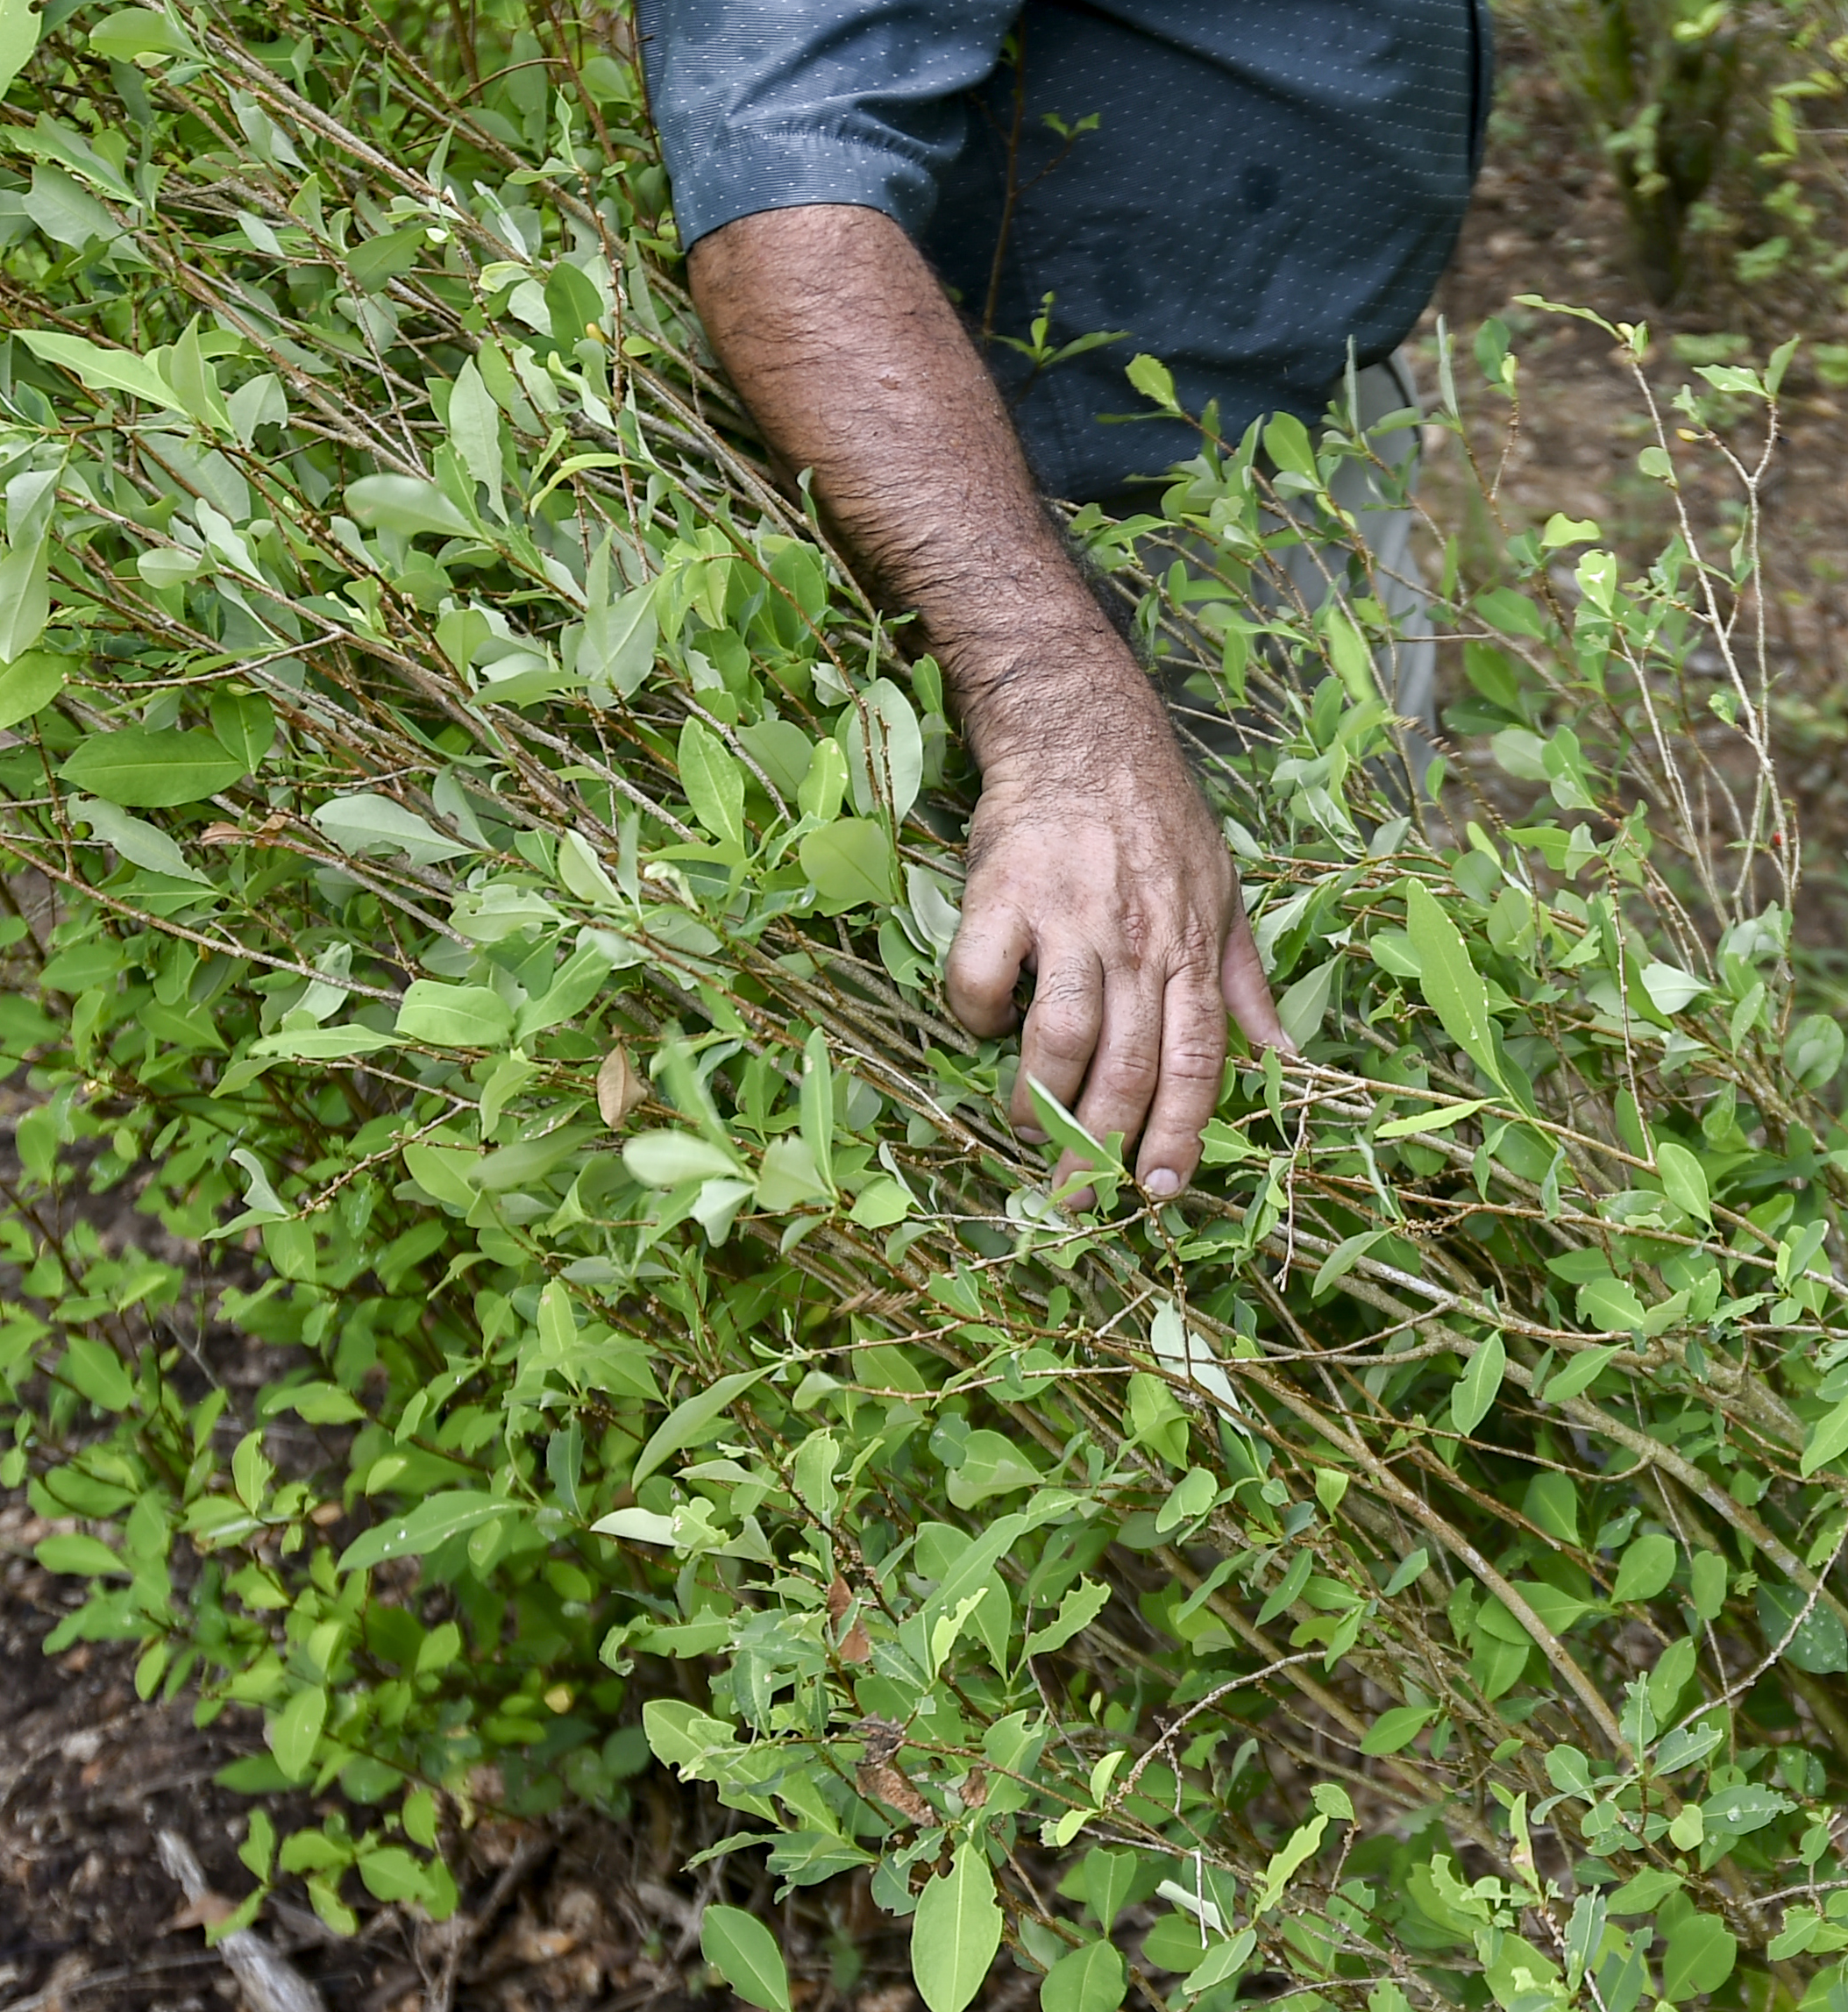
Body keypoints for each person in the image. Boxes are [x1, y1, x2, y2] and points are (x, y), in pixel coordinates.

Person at [635, 0, 1489, 1198]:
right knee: (1167, 1140)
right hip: (1062, 543)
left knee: (1358, 1004)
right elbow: (787, 188)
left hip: (1299, 435)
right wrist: (1070, 728)